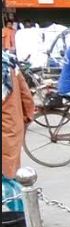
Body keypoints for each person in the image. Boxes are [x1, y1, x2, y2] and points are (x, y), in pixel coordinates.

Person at [2, 50, 35, 179]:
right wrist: (27, 117)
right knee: (10, 164)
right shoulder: (10, 64)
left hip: (9, 122)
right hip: (10, 122)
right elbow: (25, 95)